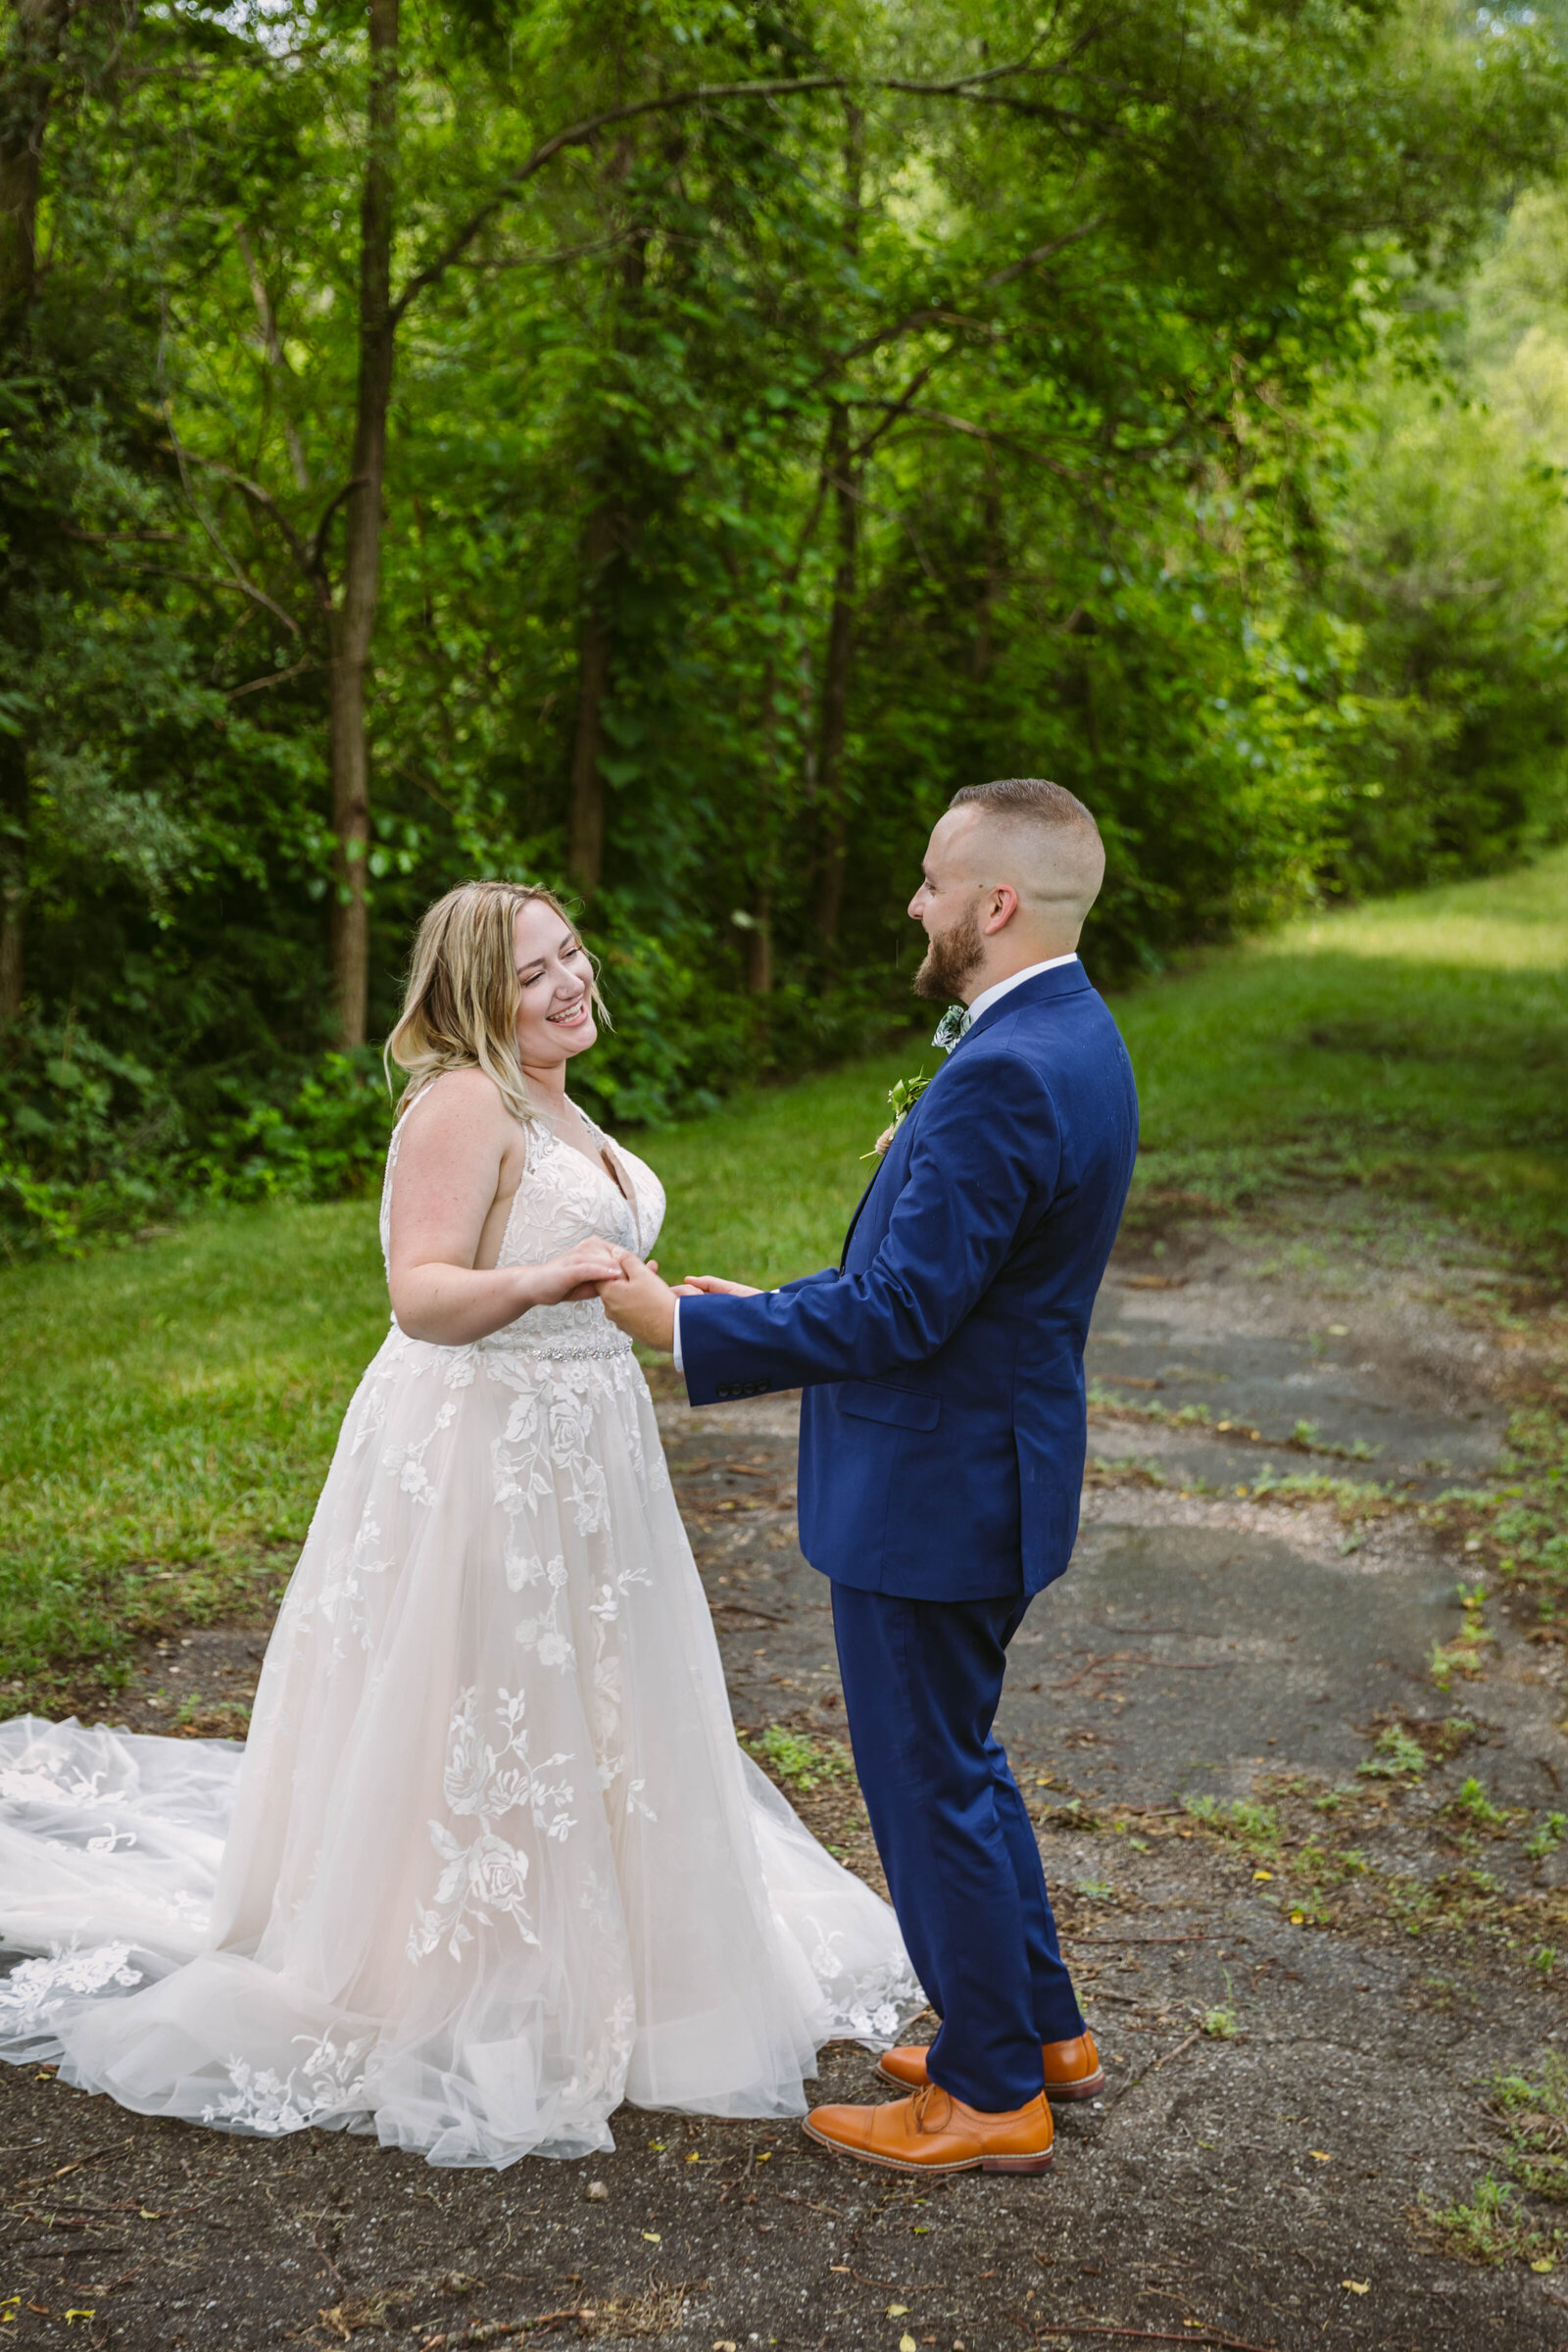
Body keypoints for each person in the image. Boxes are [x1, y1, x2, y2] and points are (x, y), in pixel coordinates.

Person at [0, 880, 918, 2167]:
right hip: (485, 1444)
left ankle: (614, 1951)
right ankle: (472, 1970)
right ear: (474, 993)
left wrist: (666, 1308)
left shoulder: (556, 1101)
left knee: (592, 1702)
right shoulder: (461, 1103)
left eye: (576, 953)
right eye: (537, 970)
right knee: (483, 1698)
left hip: (588, 1439)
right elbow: (422, 1295)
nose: (571, 981)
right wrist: (551, 1278)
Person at [601, 779, 1139, 2178]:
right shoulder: (1074, 1035)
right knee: (963, 1761)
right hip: (989, 1469)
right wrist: (773, 1298)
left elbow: (904, 1315)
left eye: (929, 880)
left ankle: (985, 2094)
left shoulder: (1007, 1071)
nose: (915, 901)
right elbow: (942, 1286)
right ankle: (1038, 2031)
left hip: (937, 1492)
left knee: (925, 1781)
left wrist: (690, 1326)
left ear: (996, 905)